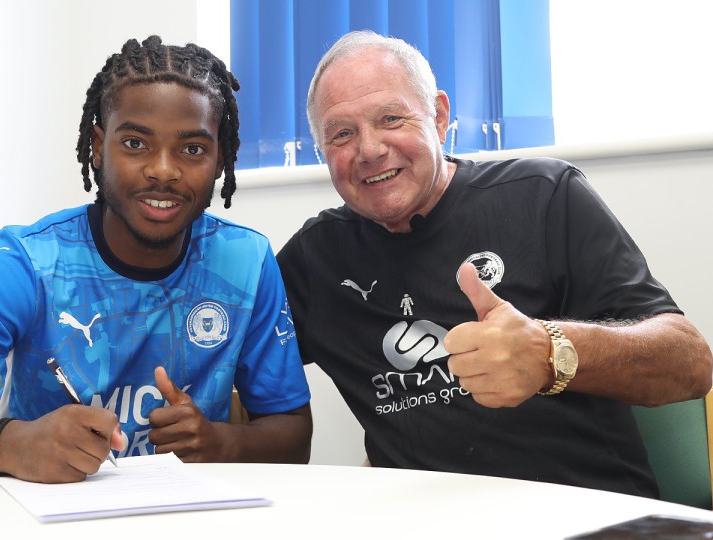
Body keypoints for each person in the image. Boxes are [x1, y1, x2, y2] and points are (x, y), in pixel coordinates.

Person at [277, 30, 712, 497]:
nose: (369, 149)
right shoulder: (315, 257)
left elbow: (689, 363)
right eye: (342, 133)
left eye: (390, 117)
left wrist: (549, 353)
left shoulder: (543, 195)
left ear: (439, 116)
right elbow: (230, 362)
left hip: (587, 515)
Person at [0, 35, 312, 484]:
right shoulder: (24, 263)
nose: (163, 170)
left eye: (192, 149)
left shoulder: (246, 263)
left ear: (220, 160)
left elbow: (295, 437)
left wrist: (223, 443)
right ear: (98, 147)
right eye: (135, 143)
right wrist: (14, 444)